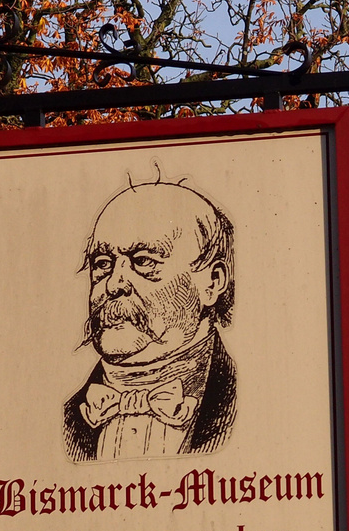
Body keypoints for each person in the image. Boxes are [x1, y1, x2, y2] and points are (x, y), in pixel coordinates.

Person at [63, 180, 238, 461]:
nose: (114, 284)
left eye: (144, 261)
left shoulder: (254, 404)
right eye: (103, 263)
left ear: (212, 282)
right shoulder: (69, 418)